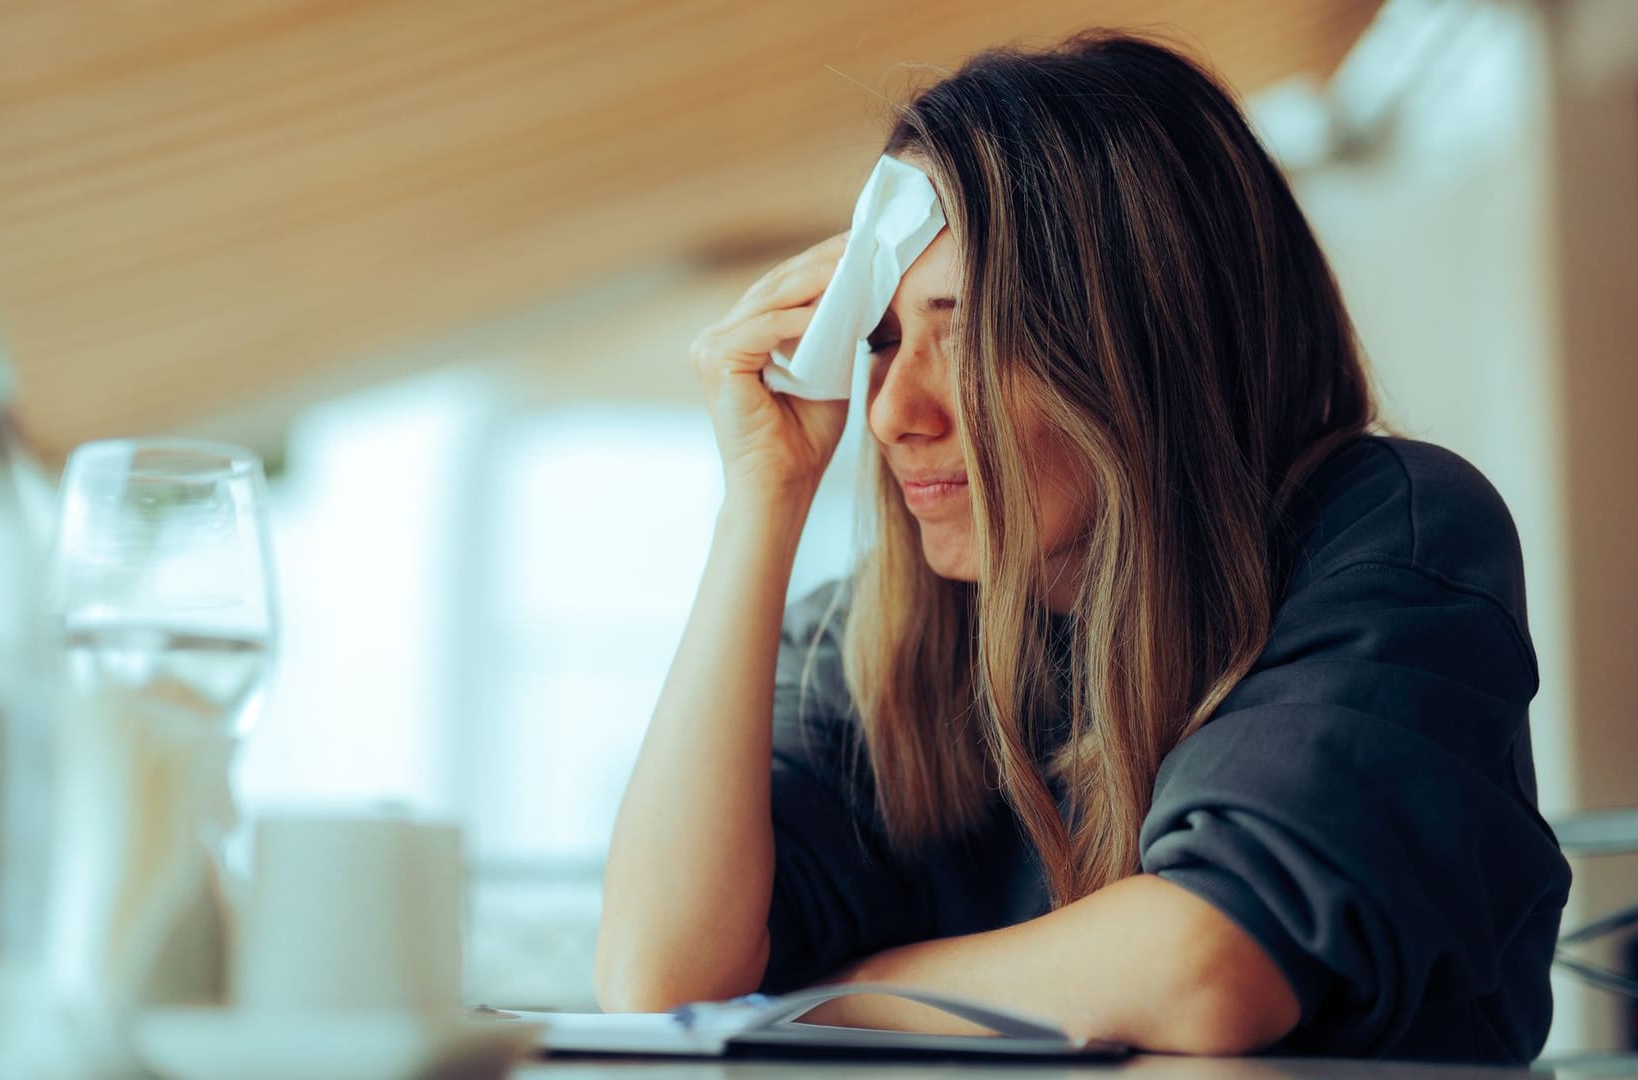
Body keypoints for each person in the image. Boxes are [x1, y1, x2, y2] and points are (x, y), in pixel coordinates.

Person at [593, 32, 1569, 1063]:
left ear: (1143, 337)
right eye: (878, 342)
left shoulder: (1388, 532)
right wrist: (761, 497)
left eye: (966, 330)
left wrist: (838, 991)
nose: (890, 415)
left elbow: (1202, 967)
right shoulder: (870, 636)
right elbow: (661, 983)